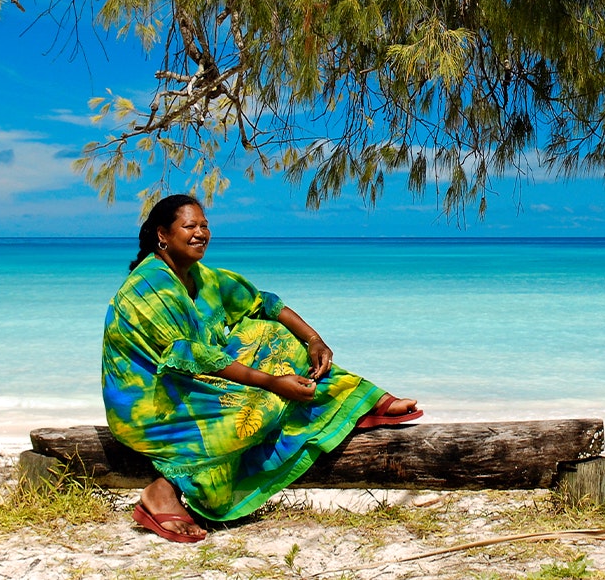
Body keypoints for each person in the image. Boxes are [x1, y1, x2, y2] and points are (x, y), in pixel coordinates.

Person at [102, 194, 421, 543]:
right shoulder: (151, 285)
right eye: (189, 226)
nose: (200, 233)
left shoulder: (201, 276)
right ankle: (161, 491)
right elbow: (191, 356)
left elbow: (262, 304)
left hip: (191, 385)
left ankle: (355, 397)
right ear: (162, 235)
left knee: (270, 334)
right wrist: (272, 383)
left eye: (205, 225)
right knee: (263, 408)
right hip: (150, 407)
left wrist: (314, 339)